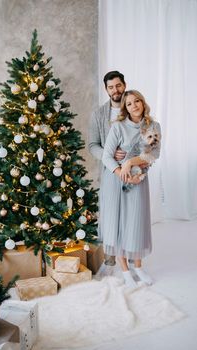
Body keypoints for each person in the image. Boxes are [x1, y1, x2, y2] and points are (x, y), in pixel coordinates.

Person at [101, 90, 161, 288]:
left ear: (143, 103)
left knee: (136, 223)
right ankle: (125, 271)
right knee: (119, 224)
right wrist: (122, 171)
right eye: (129, 104)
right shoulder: (118, 127)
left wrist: (130, 163)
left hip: (139, 180)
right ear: (125, 109)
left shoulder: (153, 126)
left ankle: (138, 267)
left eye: (137, 101)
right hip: (116, 181)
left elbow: (154, 154)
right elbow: (107, 156)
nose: (134, 105)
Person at [88, 71, 127, 266]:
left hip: (132, 169)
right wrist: (109, 156)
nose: (115, 90)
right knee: (110, 212)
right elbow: (92, 145)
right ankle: (110, 254)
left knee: (129, 212)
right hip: (109, 170)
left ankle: (129, 253)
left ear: (124, 85)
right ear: (106, 89)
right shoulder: (98, 114)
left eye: (118, 85)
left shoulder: (133, 108)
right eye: (111, 87)